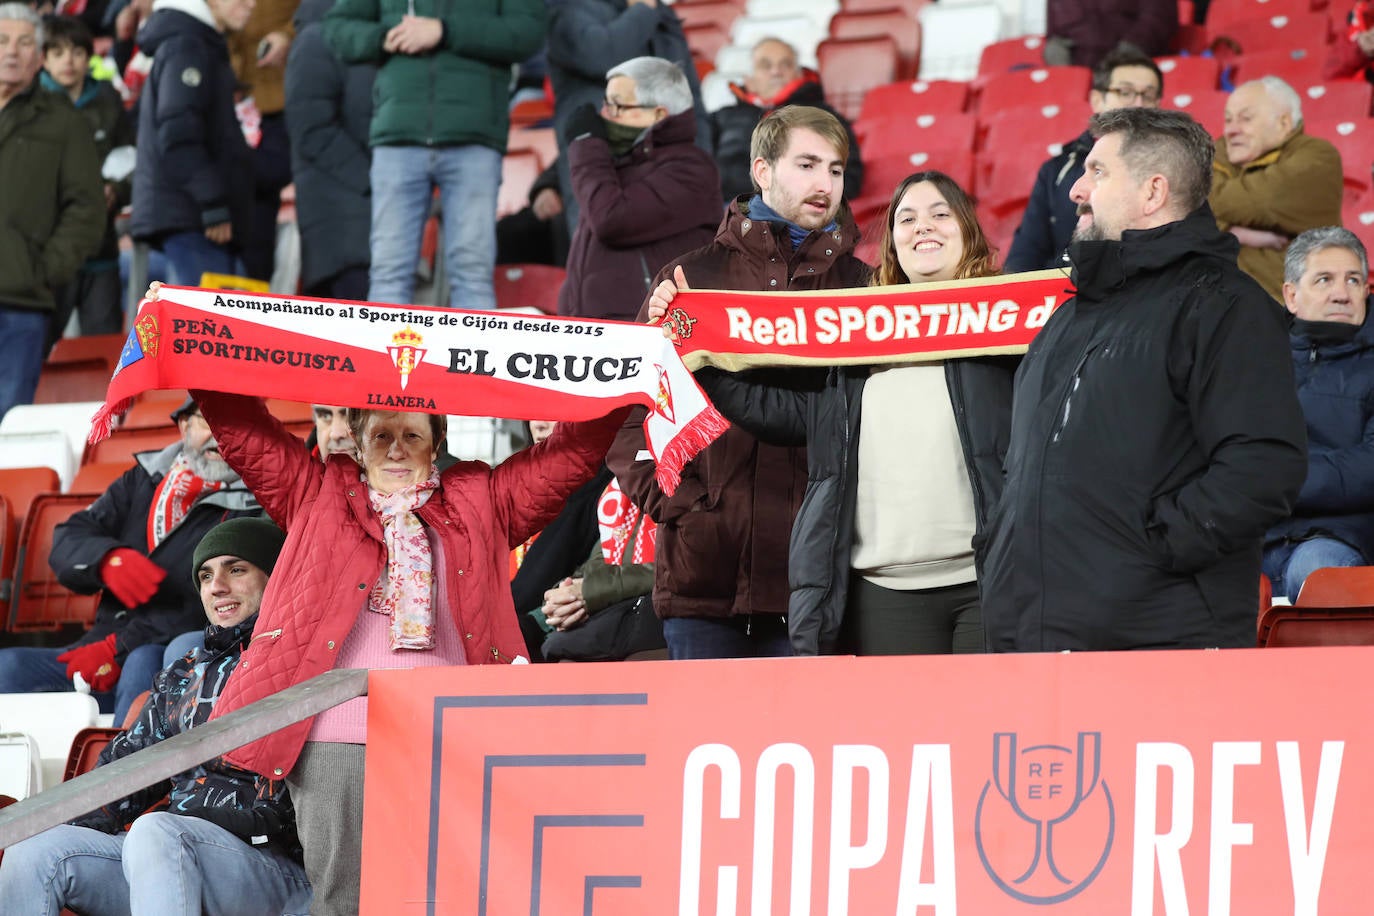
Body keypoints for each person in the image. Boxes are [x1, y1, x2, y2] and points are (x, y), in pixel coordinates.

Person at [170, 365, 626, 914]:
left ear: (437, 444)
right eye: (381, 435)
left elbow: (568, 458)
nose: (395, 449)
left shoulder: (481, 499)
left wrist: (627, 373)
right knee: (345, 900)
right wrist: (192, 343)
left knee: (452, 897)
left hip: (455, 732)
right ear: (357, 443)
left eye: (412, 435)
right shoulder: (315, 493)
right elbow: (245, 431)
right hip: (337, 734)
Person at [981, 107, 1308, 652]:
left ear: (1153, 192)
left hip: (1157, 640)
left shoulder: (1226, 307)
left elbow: (1263, 466)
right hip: (1033, 637)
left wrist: (1150, 548)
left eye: (1098, 172)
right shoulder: (1069, 314)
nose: (1076, 191)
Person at [675, 172, 1013, 655]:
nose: (924, 227)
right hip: (884, 591)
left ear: (968, 231)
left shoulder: (1013, 328)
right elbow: (785, 412)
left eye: (941, 214)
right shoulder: (853, 334)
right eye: (907, 218)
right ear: (892, 243)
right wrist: (695, 350)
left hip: (988, 585)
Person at [605, 105, 870, 660]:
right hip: (703, 578)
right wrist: (675, 502)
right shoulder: (690, 278)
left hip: (815, 581)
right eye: (807, 164)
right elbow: (632, 409)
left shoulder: (863, 289)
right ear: (762, 171)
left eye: (837, 169)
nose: (826, 184)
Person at [0, 518, 312, 916]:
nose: (217, 587)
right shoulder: (184, 674)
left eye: (236, 569)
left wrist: (189, 820)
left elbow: (293, 816)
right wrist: (46, 820)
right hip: (175, 852)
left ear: (276, 576)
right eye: (205, 575)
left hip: (273, 869)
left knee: (155, 829)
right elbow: (123, 775)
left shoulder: (306, 664)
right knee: (33, 850)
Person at [0, 397, 261, 723]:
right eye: (208, 420)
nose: (220, 436)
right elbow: (70, 534)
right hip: (99, 643)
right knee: (8, 668)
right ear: (183, 425)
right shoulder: (144, 477)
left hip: (168, 649)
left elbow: (219, 599)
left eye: (233, 424)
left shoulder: (259, 498)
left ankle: (120, 767)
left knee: (142, 660)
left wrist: (118, 647)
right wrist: (108, 560)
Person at [324, 0, 544, 310]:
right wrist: (383, 37)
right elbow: (338, 27)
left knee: (470, 272)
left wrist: (444, 32)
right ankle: (382, 358)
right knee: (390, 270)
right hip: (400, 136)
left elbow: (529, 31)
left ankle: (471, 358)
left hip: (473, 137)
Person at [557, 55, 720, 322]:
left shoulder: (691, 169)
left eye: (617, 105)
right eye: (606, 103)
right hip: (595, 332)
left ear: (658, 114)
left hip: (648, 332)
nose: (605, 115)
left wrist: (586, 145)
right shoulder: (614, 163)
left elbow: (612, 219)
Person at [0, 3, 104, 418]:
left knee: (6, 428)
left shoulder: (63, 122)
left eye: (25, 43)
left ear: (39, 57)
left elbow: (87, 209)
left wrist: (42, 270)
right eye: (3, 41)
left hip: (21, 302)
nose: (12, 51)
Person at [1263, 227, 1374, 602]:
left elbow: (1368, 467)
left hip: (1342, 536)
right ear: (1291, 296)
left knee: (1314, 578)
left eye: (1353, 280)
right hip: (1253, 534)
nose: (1341, 293)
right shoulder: (1251, 357)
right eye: (1324, 279)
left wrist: (1278, 481)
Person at [546, 0, 707, 235]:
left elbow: (688, 95)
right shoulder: (568, 8)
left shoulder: (661, 14)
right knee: (604, 253)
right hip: (600, 156)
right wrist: (642, 9)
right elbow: (603, 57)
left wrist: (701, 156)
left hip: (669, 158)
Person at [128, 0, 256, 287]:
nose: (252, 4)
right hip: (195, 220)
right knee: (206, 328)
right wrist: (212, 202)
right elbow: (178, 135)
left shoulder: (200, 43)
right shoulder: (188, 46)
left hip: (195, 218)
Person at [1004, 48, 1162, 273]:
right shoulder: (1056, 170)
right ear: (1097, 100)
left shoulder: (1172, 167)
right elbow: (1024, 256)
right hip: (1066, 293)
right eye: (1125, 92)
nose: (1138, 104)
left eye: (1148, 95)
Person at [40, 14, 135, 338]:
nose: (68, 61)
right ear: (44, 59)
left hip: (101, 251)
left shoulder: (108, 101)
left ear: (89, 57)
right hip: (47, 255)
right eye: (58, 52)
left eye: (77, 52)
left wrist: (117, 190)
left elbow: (131, 157)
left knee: (105, 350)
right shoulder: (29, 105)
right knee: (35, 350)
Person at [1210, 76, 1344, 301]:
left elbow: (1263, 201)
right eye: (1228, 119)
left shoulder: (1319, 156)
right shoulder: (1217, 153)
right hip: (1220, 306)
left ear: (1283, 123)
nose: (1231, 130)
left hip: (1292, 311)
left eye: (1245, 119)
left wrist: (1215, 226)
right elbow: (1179, 209)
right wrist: (1233, 231)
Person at [284, 0, 374, 301]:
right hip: (341, 228)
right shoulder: (315, 40)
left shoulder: (367, 37)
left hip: (364, 222)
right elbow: (311, 130)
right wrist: (376, 178)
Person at [710, 37, 862, 204]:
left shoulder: (822, 116)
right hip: (723, 208)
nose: (776, 72)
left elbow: (849, 177)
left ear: (798, 74)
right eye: (765, 65)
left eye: (786, 65)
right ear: (749, 80)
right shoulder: (721, 118)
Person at [226, 0, 298, 281]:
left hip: (274, 106)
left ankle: (251, 305)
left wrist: (288, 35)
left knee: (256, 221)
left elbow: (321, 9)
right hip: (226, 105)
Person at [1043, 0, 1175, 70]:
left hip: (1131, 67)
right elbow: (1054, 36)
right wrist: (1068, 78)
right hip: (1076, 75)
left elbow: (1156, 22)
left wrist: (1114, 68)